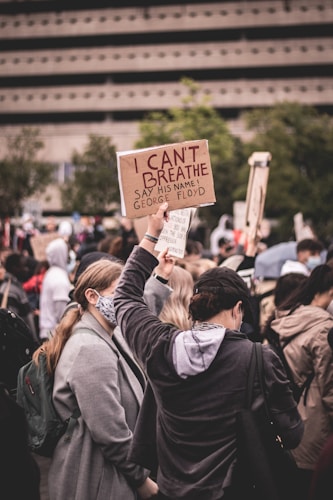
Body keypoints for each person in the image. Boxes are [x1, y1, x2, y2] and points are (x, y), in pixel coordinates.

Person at [114, 203, 304, 500]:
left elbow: (124, 297)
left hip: (170, 489)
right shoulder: (258, 358)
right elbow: (292, 434)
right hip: (233, 490)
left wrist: (152, 235)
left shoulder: (159, 345)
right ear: (238, 308)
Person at [33, 259, 159, 500]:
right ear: (92, 296)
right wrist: (141, 479)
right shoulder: (91, 348)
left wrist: (159, 270)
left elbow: (146, 311)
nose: (126, 303)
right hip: (97, 479)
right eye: (118, 294)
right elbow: (110, 432)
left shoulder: (107, 334)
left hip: (100, 473)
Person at [267, 264, 333, 500]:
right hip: (314, 427)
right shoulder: (324, 329)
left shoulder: (288, 317)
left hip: (286, 421)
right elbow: (330, 389)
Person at [0, 252, 39, 342]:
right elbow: (12, 324)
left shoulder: (15, 287)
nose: (26, 269)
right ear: (15, 268)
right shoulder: (10, 291)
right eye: (23, 266)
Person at [39, 238, 72, 341]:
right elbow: (62, 313)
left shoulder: (51, 273)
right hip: (54, 335)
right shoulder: (59, 278)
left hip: (48, 332)